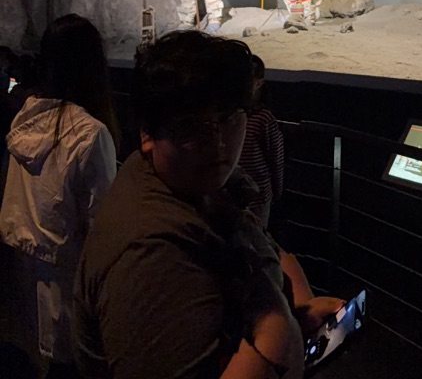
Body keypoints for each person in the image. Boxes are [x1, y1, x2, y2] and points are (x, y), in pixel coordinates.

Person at [73, 30, 342, 379]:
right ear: (148, 133)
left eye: (228, 118)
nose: (216, 143)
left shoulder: (194, 185)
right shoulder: (151, 257)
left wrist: (296, 312)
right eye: (190, 127)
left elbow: (262, 254)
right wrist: (277, 331)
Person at [1, 15, 120, 377]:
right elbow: (103, 232)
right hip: (68, 298)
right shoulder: (90, 134)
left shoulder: (24, 119)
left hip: (20, 293)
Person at [236, 55, 284, 228]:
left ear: (259, 83)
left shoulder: (263, 119)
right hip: (233, 193)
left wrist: (276, 190)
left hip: (258, 197)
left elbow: (275, 158)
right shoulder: (230, 115)